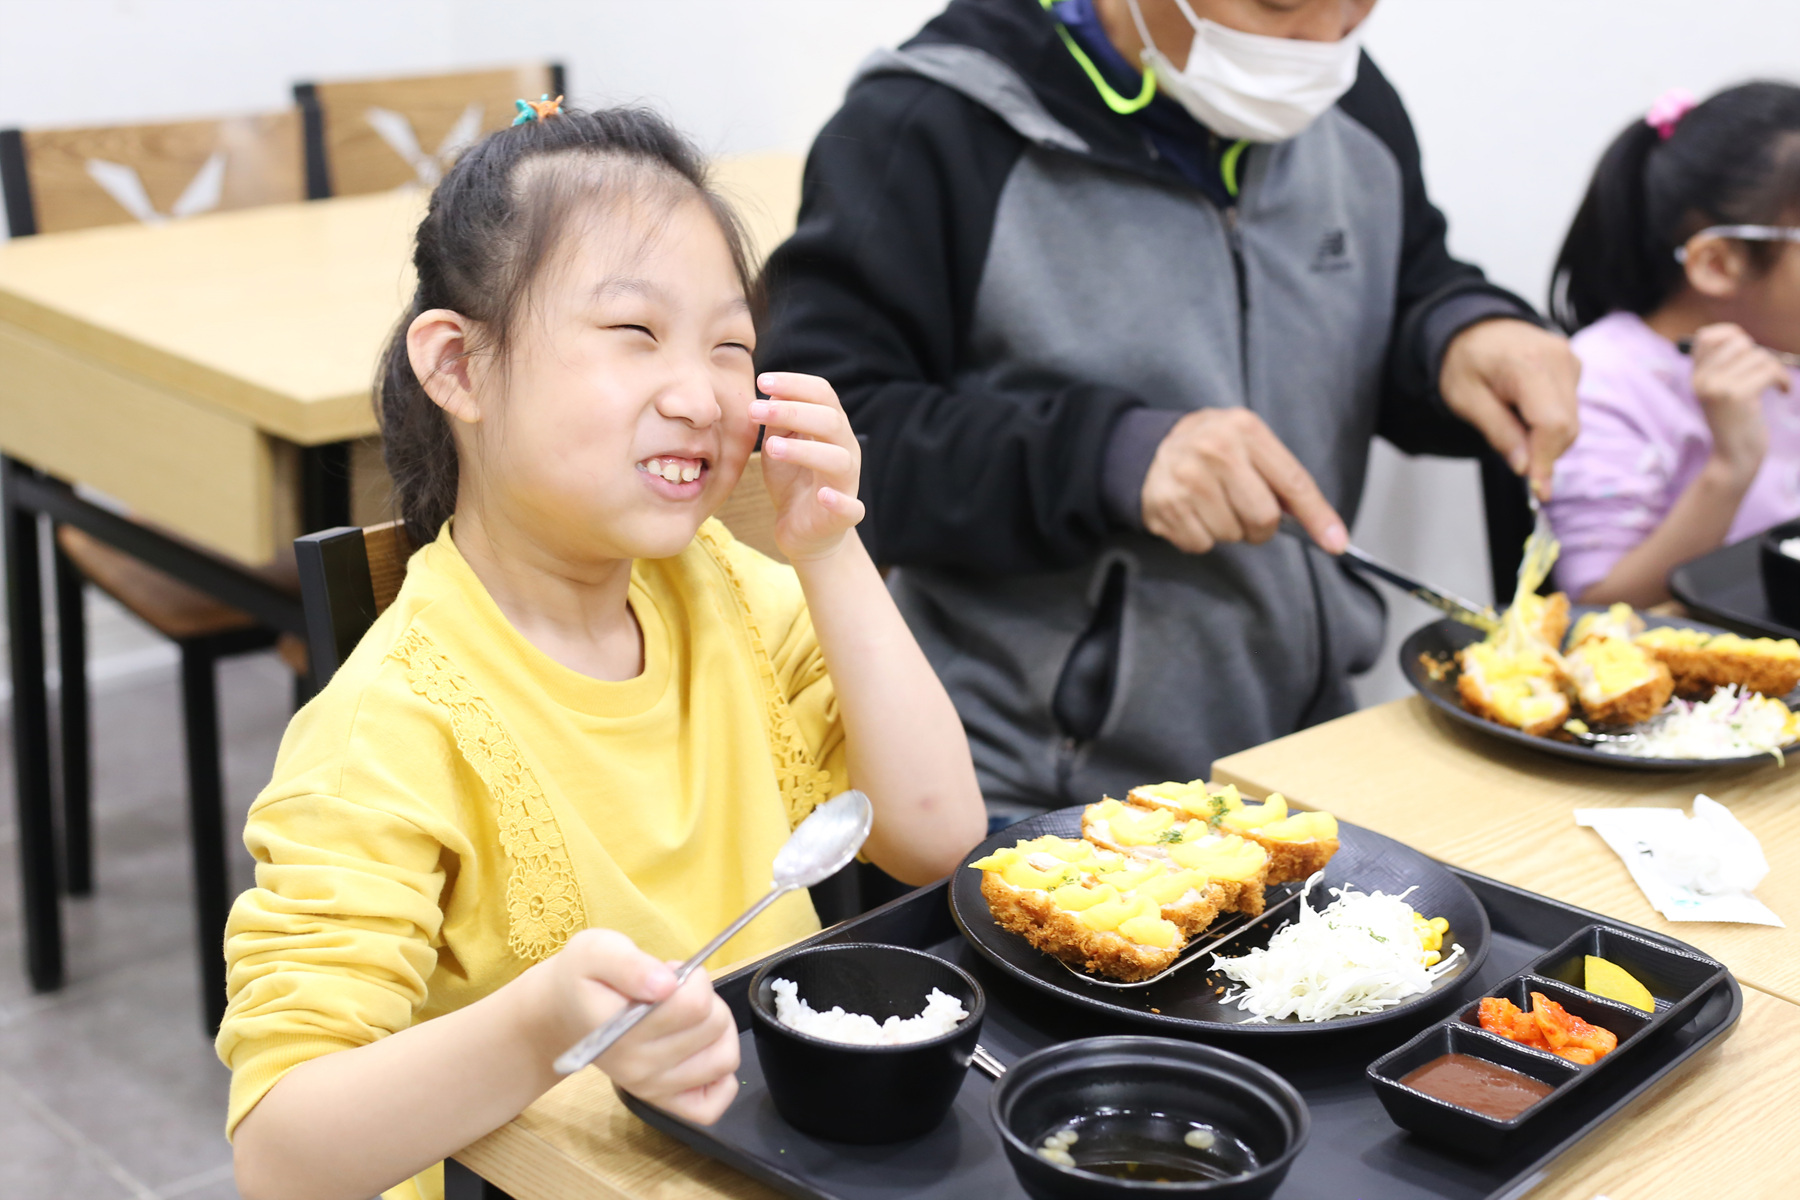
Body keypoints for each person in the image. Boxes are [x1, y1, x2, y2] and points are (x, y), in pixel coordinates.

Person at [217, 104, 984, 1200]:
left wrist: (830, 548)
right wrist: (538, 1030)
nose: (700, 395)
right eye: (635, 332)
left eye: (731, 346)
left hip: (768, 1150)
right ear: (461, 367)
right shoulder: (387, 728)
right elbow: (279, 1158)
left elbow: (936, 834)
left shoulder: (728, 589)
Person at [759, 0, 1580, 812]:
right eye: (1279, 4)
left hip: (1302, 760)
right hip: (1034, 789)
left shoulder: (1348, 106)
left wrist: (1458, 330)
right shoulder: (929, 123)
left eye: (1358, 6)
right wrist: (1110, 458)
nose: (1323, 43)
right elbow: (820, 431)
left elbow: (1397, 288)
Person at [1547, 83, 1800, 606]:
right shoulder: (1600, 379)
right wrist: (1729, 467)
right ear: (1718, 264)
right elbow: (1598, 602)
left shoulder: (1783, 346)